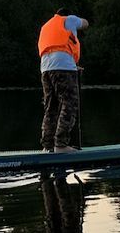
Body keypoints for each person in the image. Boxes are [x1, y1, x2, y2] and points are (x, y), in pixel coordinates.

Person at [37, 10, 89, 152]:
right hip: (63, 66)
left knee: (51, 106)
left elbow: (55, 49)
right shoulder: (69, 19)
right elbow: (85, 23)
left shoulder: (45, 26)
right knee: (70, 103)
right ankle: (61, 144)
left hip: (45, 68)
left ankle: (47, 146)